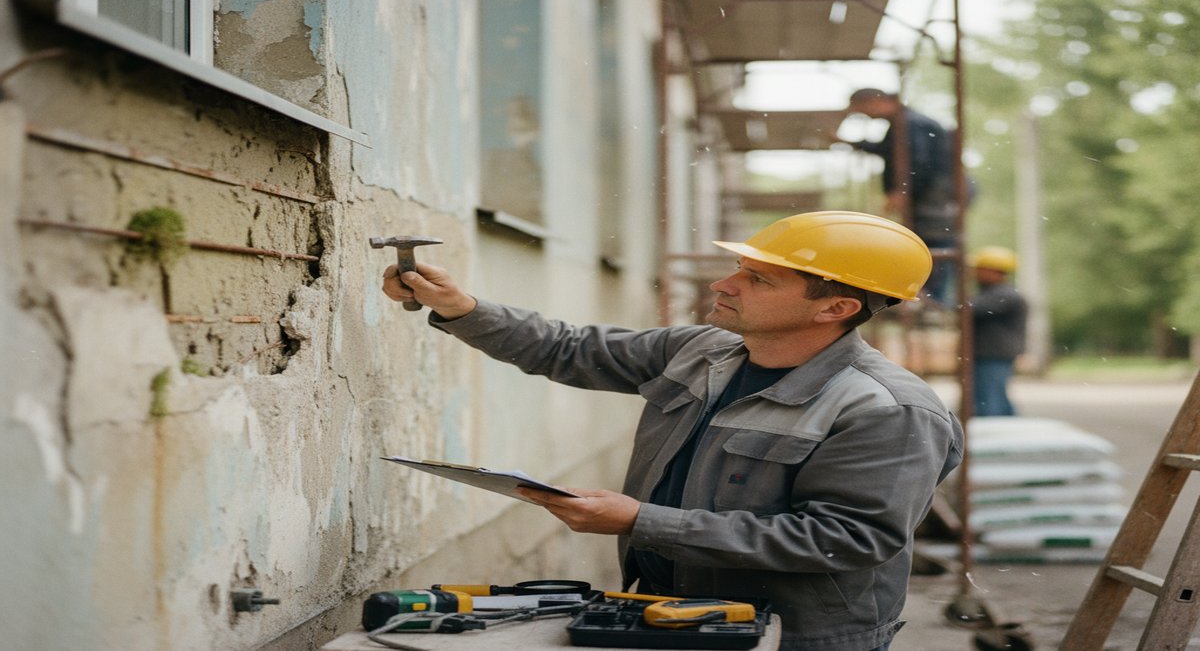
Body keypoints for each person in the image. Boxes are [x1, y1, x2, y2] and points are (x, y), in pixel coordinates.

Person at [382, 211, 963, 651]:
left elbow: (845, 538)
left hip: (794, 636)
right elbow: (570, 349)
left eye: (757, 279)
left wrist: (640, 521)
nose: (724, 284)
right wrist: (462, 308)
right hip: (672, 613)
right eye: (740, 268)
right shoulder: (702, 350)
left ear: (834, 309)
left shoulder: (887, 410)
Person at [842, 88, 962, 307]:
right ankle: (928, 298)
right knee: (928, 241)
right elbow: (888, 150)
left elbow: (919, 161)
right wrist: (855, 144)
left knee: (934, 243)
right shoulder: (905, 123)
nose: (866, 116)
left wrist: (902, 190)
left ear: (877, 101)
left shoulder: (912, 124)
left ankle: (934, 300)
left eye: (863, 109)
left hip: (935, 193)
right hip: (932, 192)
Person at [969, 246, 1028, 417]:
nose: (975, 273)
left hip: (993, 356)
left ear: (995, 271)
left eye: (979, 269)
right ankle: (1009, 431)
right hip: (992, 355)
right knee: (995, 397)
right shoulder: (997, 293)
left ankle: (996, 434)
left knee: (989, 401)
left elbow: (969, 308)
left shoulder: (1004, 295)